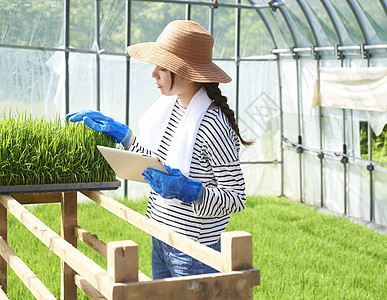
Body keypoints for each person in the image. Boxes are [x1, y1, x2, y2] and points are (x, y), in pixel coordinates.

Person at [66, 20, 252, 279]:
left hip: (192, 251)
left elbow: (235, 198)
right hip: (162, 238)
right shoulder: (174, 108)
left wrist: (190, 191)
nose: (154, 74)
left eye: (163, 68)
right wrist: (125, 136)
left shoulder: (213, 124)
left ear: (187, 73)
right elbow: (159, 162)